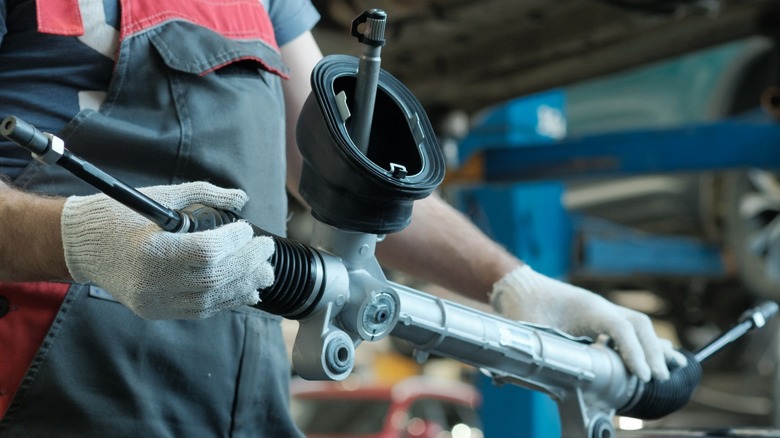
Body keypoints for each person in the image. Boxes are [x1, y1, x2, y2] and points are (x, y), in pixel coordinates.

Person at [0, 0, 686, 435]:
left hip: (237, 405)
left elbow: (340, 165)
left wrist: (515, 283)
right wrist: (80, 239)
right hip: (55, 400)